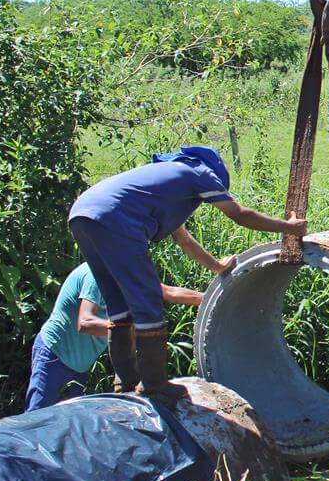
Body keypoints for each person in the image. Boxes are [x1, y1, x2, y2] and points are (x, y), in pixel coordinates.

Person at [68, 145, 306, 400]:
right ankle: (155, 385)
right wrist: (287, 227)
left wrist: (218, 266)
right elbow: (239, 214)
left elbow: (184, 240)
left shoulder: (165, 183)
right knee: (147, 301)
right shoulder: (200, 173)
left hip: (82, 215)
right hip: (115, 218)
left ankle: (126, 383)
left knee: (119, 304)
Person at [24, 263, 205, 411]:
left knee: (68, 422)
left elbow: (168, 292)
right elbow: (85, 323)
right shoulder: (97, 275)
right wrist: (131, 331)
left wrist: (207, 298)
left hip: (80, 366)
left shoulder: (128, 274)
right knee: (36, 417)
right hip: (54, 354)